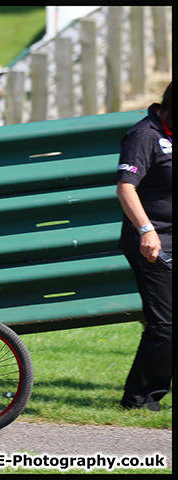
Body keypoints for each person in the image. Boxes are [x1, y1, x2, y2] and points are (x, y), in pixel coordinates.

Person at [116, 82, 172, 412]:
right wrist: (146, 230)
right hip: (153, 244)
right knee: (165, 324)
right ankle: (140, 400)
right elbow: (126, 187)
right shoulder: (144, 135)